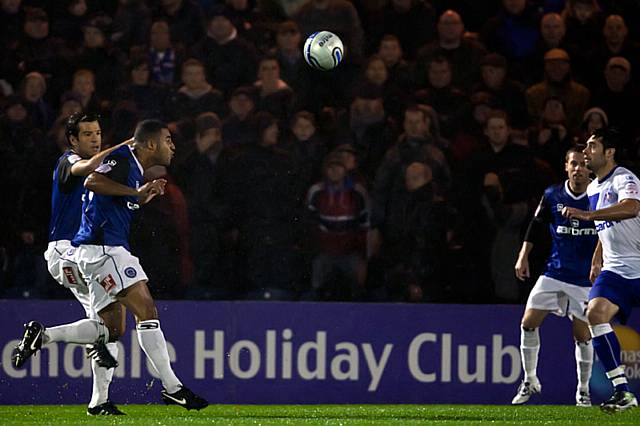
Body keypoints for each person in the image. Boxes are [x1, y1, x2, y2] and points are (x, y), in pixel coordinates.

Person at [12, 119, 208, 411]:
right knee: (146, 310)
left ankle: (56, 348)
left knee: (110, 330)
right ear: (150, 143)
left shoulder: (126, 167)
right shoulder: (112, 160)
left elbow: (104, 197)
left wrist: (140, 195)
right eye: (168, 140)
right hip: (99, 251)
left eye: (98, 133)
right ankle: (173, 387)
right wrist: (133, 183)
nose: (173, 146)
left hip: (94, 251)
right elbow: (91, 178)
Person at [12, 113, 132, 414]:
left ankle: (99, 401)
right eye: (88, 134)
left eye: (98, 133)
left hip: (84, 252)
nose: (95, 138)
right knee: (109, 325)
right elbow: (86, 166)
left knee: (109, 327)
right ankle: (55, 337)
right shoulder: (68, 161)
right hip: (65, 253)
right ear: (73, 140)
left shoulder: (103, 171)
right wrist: (126, 145)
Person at [561, 127, 640, 413]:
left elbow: (630, 208)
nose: (586, 152)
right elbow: (604, 228)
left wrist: (588, 214)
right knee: (595, 313)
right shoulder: (594, 187)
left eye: (593, 146)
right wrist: (598, 256)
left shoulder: (625, 178)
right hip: (616, 269)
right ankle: (622, 391)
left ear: (610, 152)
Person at [511, 147, 597, 407]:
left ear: (589, 168)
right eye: (574, 164)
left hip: (583, 278)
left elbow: (608, 233)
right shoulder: (553, 195)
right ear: (566, 166)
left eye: (583, 164)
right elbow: (536, 226)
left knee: (582, 335)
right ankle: (530, 380)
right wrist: (523, 255)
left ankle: (582, 390)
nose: (579, 169)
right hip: (554, 271)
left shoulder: (599, 196)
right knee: (528, 322)